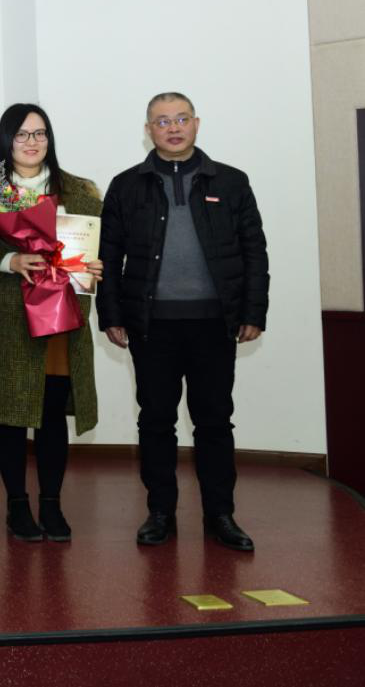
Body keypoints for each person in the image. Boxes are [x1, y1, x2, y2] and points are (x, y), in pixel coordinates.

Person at [98, 92, 268, 552]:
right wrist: (111, 314)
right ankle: (160, 513)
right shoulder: (126, 185)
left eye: (181, 119)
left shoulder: (231, 181)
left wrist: (253, 312)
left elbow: (254, 251)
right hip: (151, 325)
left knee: (215, 421)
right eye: (162, 121)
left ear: (196, 123)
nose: (173, 128)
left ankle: (220, 514)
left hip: (215, 323)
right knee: (156, 421)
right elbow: (107, 256)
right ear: (148, 130)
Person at [0, 104, 103, 543]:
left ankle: (52, 504)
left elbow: (96, 245)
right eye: (22, 134)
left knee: (51, 412)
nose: (32, 142)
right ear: (6, 139)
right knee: (9, 415)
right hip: (7, 316)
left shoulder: (79, 191)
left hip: (60, 316)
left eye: (40, 133)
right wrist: (9, 259)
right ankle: (17, 505)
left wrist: (95, 265)